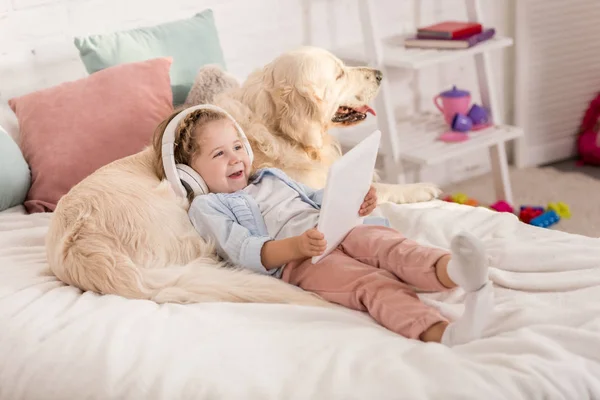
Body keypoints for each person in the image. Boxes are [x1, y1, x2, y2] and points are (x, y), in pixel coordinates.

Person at [157, 106, 494, 346]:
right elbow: (244, 250)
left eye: (237, 147)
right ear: (189, 174)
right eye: (218, 154)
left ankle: (455, 270)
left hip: (339, 227)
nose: (235, 159)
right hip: (303, 261)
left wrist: (356, 198)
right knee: (370, 283)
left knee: (390, 246)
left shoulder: (269, 176)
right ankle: (442, 332)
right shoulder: (207, 206)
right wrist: (297, 247)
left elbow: (318, 196)